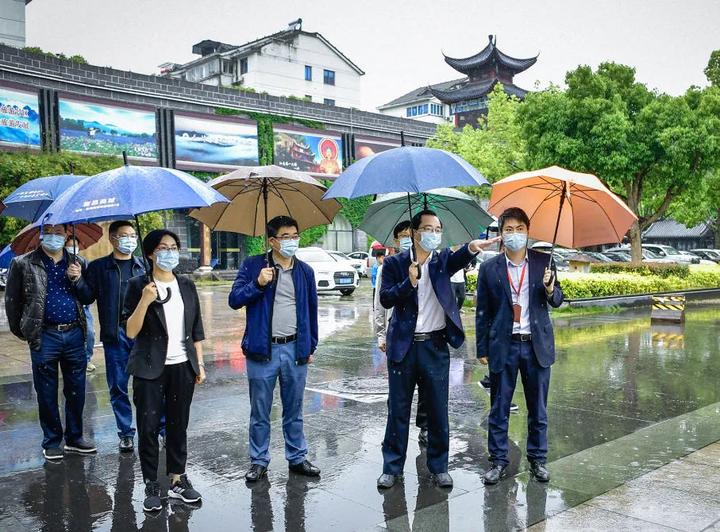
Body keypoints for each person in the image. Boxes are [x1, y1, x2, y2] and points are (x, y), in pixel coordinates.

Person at [376, 209, 499, 489]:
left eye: (437, 229)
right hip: (403, 348)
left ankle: (439, 466)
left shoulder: (442, 261)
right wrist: (409, 282)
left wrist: (471, 247)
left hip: (434, 346)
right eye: (428, 229)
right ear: (415, 232)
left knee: (437, 410)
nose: (433, 234)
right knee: (397, 410)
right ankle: (391, 467)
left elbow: (459, 257)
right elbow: (385, 299)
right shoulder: (394, 264)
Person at [475, 207, 563, 485]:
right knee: (499, 408)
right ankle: (498, 461)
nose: (515, 235)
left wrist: (550, 288)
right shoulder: (490, 268)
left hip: (536, 346)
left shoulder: (543, 263)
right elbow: (483, 312)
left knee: (538, 409)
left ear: (528, 231)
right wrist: (482, 349)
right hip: (504, 346)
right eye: (508, 230)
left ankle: (538, 460)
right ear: (501, 235)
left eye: (520, 229)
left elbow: (557, 300)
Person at [229, 215, 320, 483]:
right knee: (260, 410)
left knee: (294, 408)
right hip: (262, 351)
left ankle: (297, 456)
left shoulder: (305, 271)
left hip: (294, 350)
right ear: (271, 241)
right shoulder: (253, 266)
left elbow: (311, 311)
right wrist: (258, 284)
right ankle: (258, 460)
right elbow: (235, 300)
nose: (292, 241)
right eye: (285, 237)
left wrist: (310, 345)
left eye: (295, 235)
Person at [124, 229, 206, 512]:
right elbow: (130, 331)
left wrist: (200, 363)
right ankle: (150, 483)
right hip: (149, 369)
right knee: (147, 428)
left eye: (174, 247)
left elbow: (196, 328)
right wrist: (145, 301)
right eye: (163, 247)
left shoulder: (186, 284)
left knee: (177, 425)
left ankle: (177, 478)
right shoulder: (138, 285)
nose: (170, 252)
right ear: (150, 253)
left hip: (182, 366)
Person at [5, 223, 96, 461]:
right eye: (48, 231)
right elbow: (13, 302)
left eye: (59, 232)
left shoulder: (78, 263)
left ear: (67, 234)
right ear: (40, 234)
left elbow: (88, 297)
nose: (53, 236)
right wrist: (24, 331)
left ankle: (75, 438)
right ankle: (52, 440)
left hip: (75, 333)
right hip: (45, 335)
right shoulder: (23, 263)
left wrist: (77, 280)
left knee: (76, 390)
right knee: (46, 391)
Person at [73, 221, 145, 452]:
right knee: (119, 387)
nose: (130, 240)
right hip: (115, 335)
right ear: (113, 239)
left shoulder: (143, 266)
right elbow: (86, 297)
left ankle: (158, 429)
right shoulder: (99, 267)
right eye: (125, 235)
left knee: (149, 385)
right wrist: (77, 279)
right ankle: (125, 432)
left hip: (144, 335)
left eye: (133, 235)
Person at [374, 220, 428, 447]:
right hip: (396, 335)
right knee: (397, 396)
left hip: (424, 339)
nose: (407, 239)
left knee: (427, 391)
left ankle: (425, 426)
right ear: (396, 240)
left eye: (410, 234)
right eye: (402, 236)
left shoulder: (429, 262)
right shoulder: (391, 266)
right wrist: (381, 334)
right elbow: (380, 302)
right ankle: (395, 444)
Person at [64, 236, 96, 374]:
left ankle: (87, 359)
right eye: (69, 246)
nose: (72, 249)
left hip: (82, 305)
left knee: (89, 333)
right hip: (67, 303)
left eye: (75, 246)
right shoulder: (59, 262)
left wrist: (79, 278)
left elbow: (89, 287)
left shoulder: (83, 262)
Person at [449, 245, 467, 313]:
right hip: (452, 281)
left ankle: (457, 309)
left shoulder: (461, 255)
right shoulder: (450, 254)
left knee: (462, 297)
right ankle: (452, 311)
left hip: (461, 280)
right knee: (452, 298)